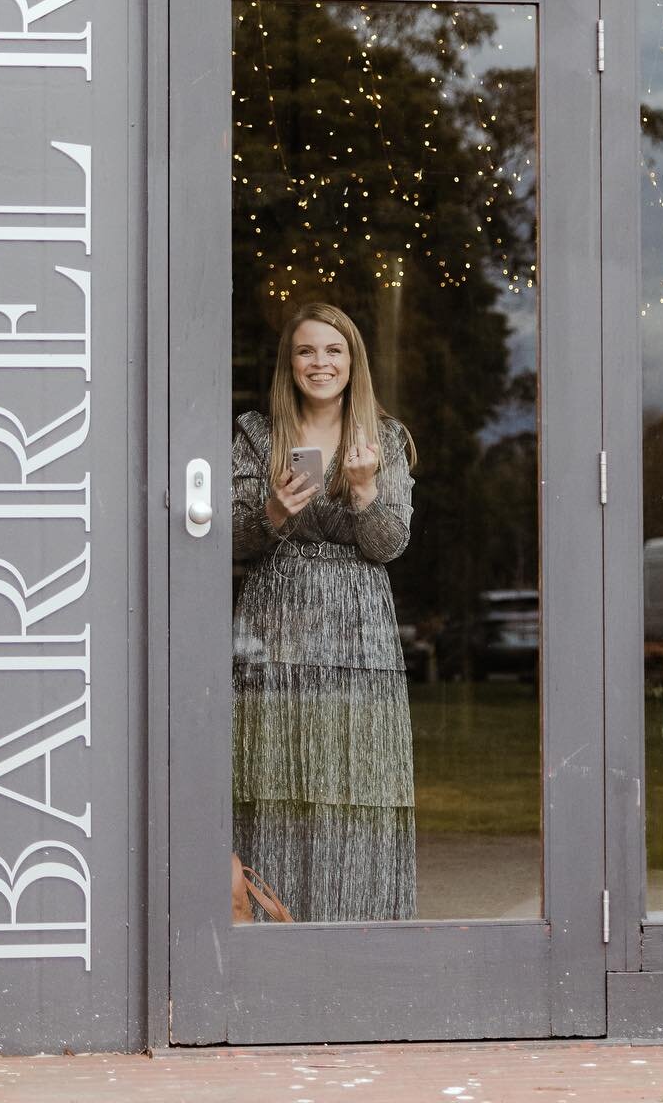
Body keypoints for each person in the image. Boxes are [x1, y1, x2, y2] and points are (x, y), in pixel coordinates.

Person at [231, 301, 418, 922]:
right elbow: (222, 538)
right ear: (290, 362)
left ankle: (359, 925)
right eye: (307, 350)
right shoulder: (259, 434)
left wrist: (365, 495)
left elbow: (389, 546)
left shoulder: (385, 439)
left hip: (358, 630)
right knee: (274, 779)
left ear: (352, 362)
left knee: (356, 779)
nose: (321, 362)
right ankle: (268, 919)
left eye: (334, 351)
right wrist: (274, 514)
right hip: (275, 627)